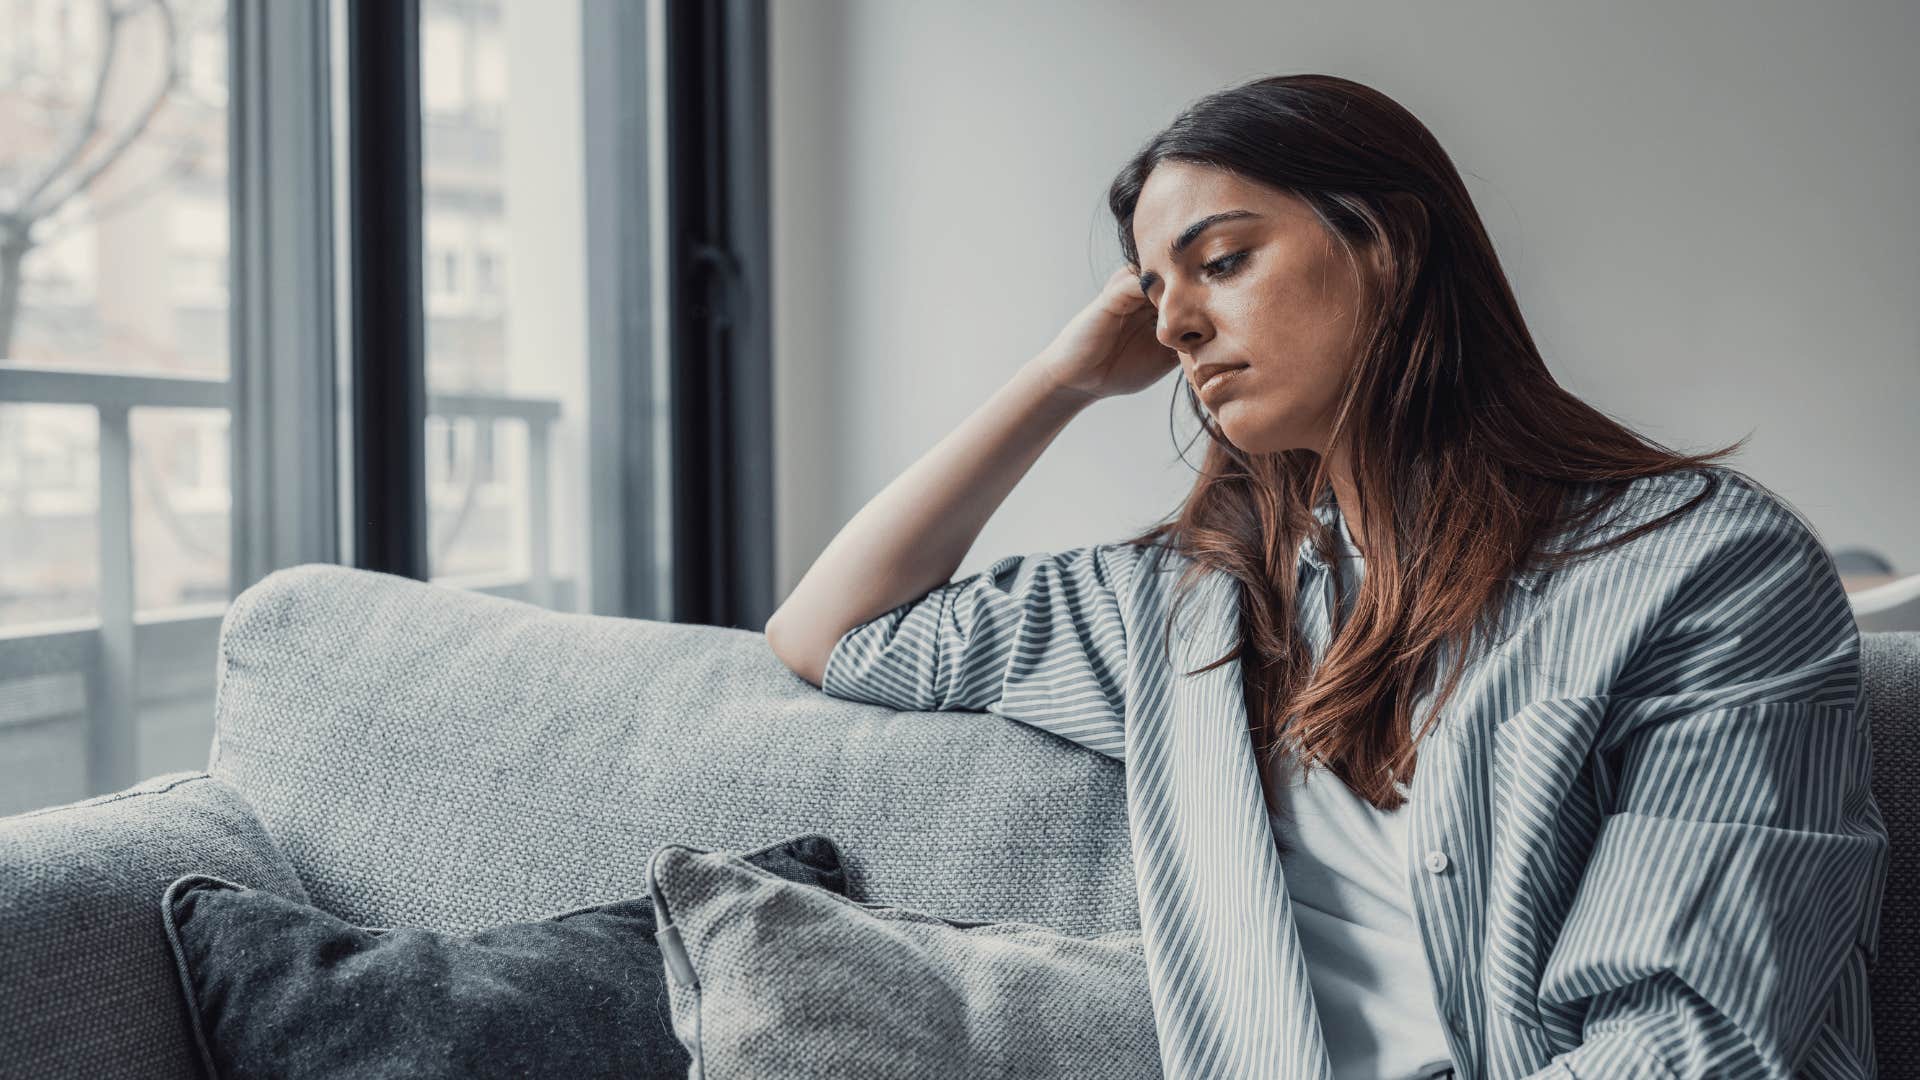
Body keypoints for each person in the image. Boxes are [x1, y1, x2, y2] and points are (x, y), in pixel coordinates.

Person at [765, 73, 1888, 1080]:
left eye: (1223, 261)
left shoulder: (1705, 569)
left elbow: (1698, 1037)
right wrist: (1061, 380)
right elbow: (834, 630)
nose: (1176, 325)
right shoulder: (1188, 610)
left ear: (1387, 244)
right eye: (1152, 294)